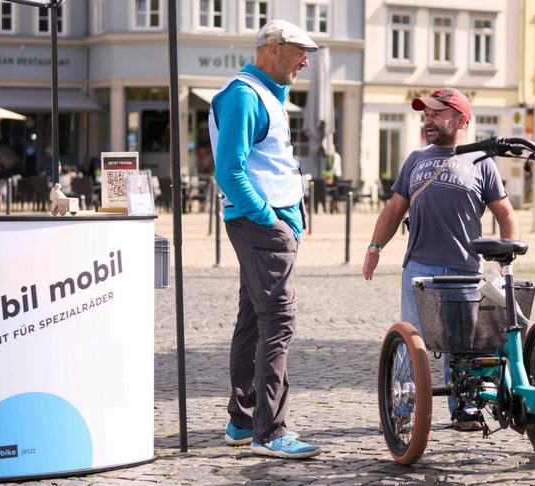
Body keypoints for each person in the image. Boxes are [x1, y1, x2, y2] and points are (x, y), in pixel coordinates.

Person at [362, 87, 519, 432]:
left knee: (462, 346)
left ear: (461, 119)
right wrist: (375, 247)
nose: (428, 120)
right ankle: (402, 407)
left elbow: (506, 214)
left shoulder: (482, 162)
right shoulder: (416, 158)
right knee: (411, 341)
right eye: (426, 114)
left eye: (436, 114)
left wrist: (505, 257)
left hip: (465, 269)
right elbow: (394, 209)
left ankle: (463, 407)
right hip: (419, 266)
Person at [208, 19, 321, 459]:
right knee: (278, 320)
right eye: (299, 51)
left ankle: (242, 421)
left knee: (254, 317)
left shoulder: (262, 94)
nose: (305, 61)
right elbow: (229, 170)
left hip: (266, 224)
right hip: (262, 226)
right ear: (273, 49)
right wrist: (268, 217)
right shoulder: (245, 94)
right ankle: (269, 430)